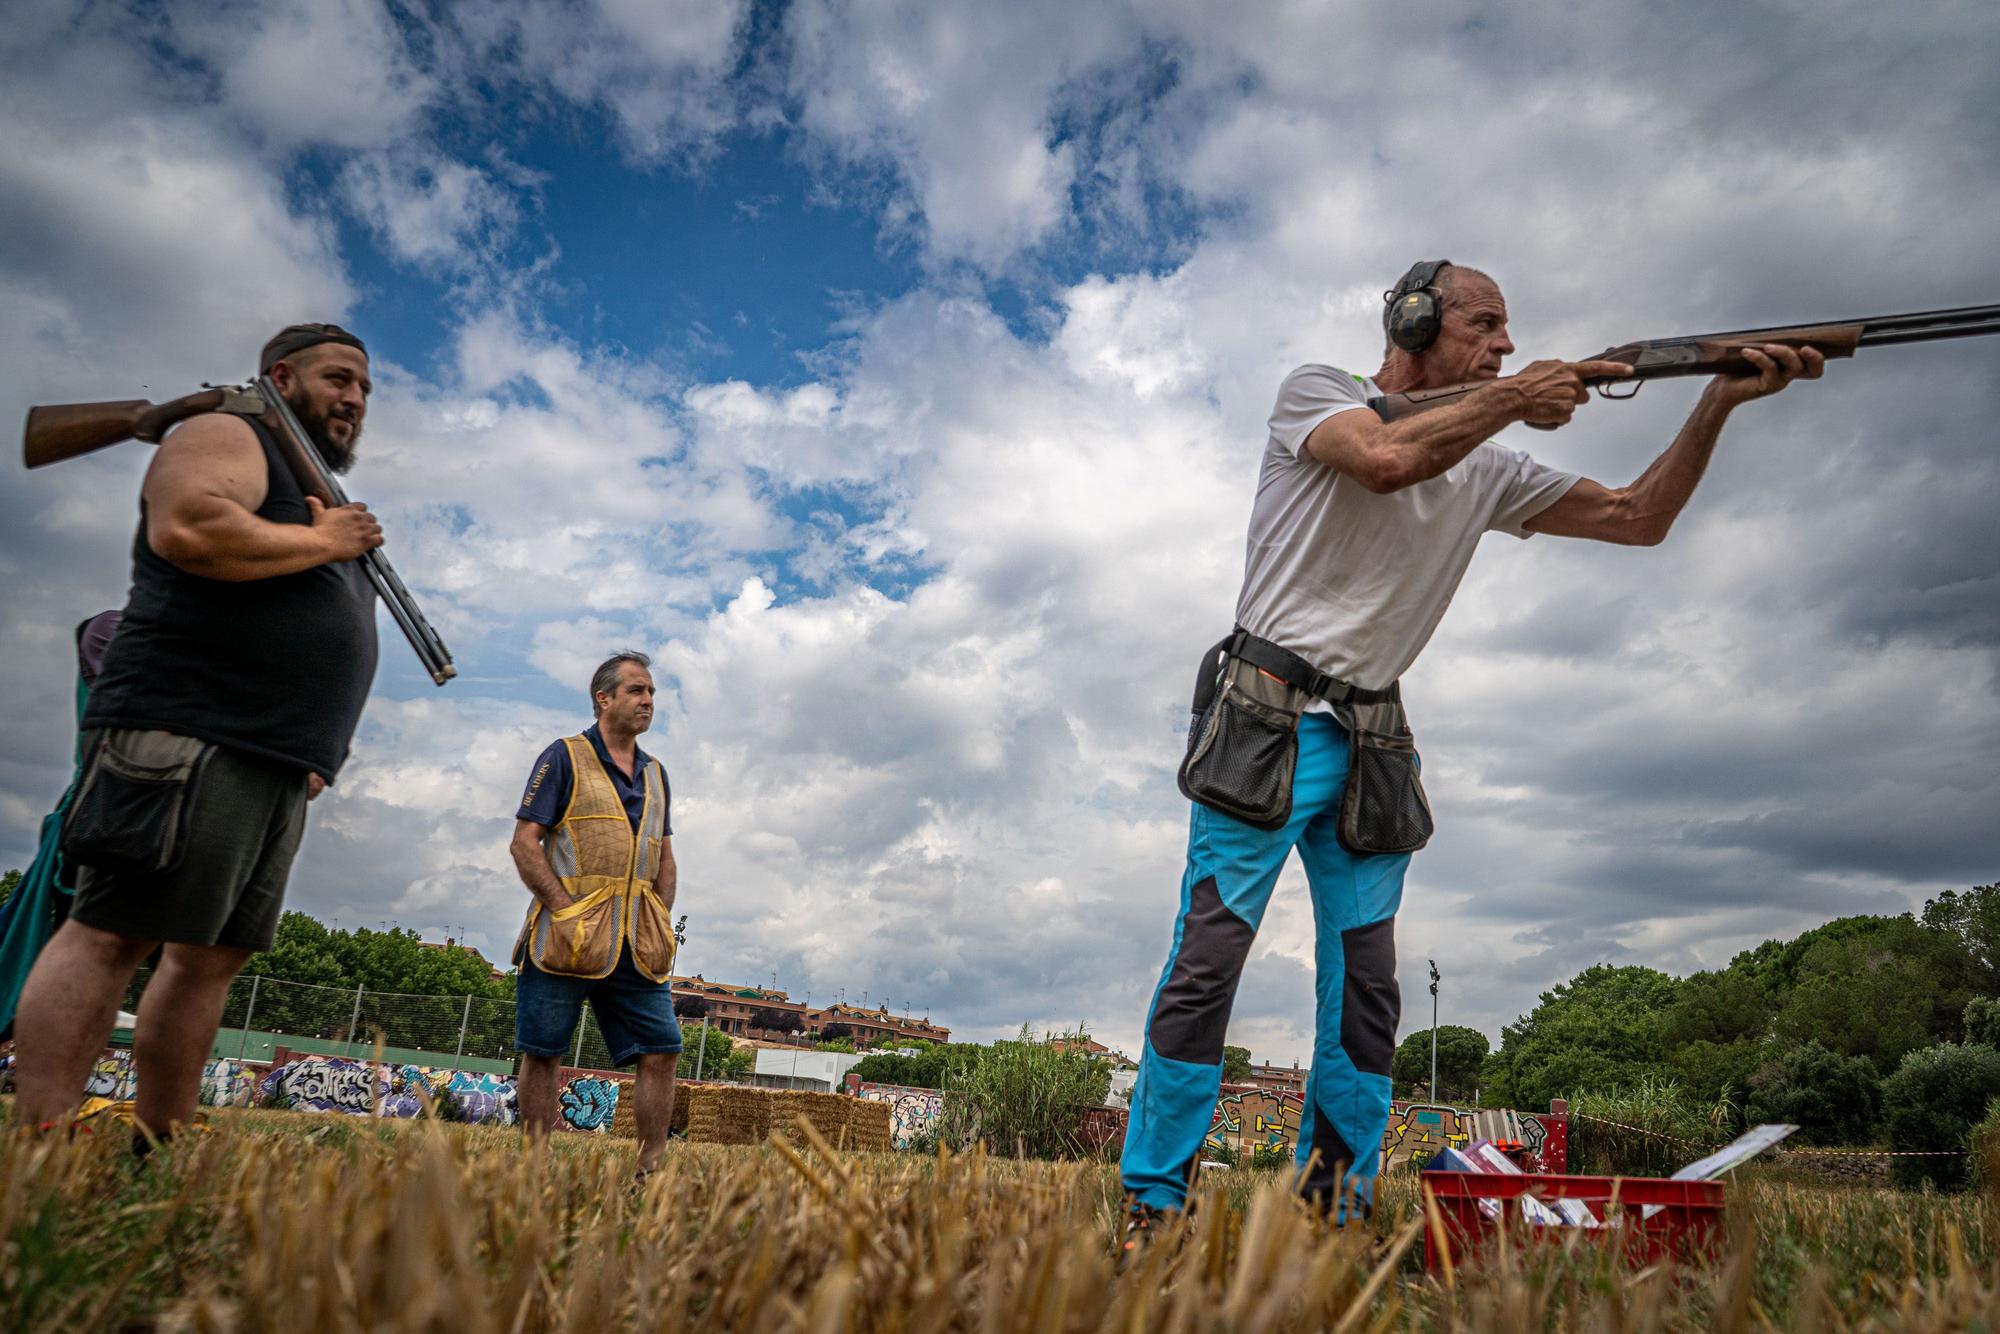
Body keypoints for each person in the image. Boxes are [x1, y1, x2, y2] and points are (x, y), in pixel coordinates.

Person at [1118, 261, 1824, 1245]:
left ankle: (1333, 1213)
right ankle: (1153, 1205)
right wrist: (1513, 395)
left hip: (1371, 742)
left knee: (1366, 991)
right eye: (1482, 324)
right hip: (1265, 723)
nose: (1501, 343)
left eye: (1507, 332)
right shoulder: (1316, 394)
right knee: (1206, 965)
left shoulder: (1488, 462)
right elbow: (1380, 460)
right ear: (1412, 323)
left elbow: (1639, 517)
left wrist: (1715, 403)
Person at [10, 324, 384, 1138]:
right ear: (280, 376)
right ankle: (39, 1142)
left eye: (362, 388)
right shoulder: (228, 430)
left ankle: (158, 1141)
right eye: (336, 378)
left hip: (271, 759)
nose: (353, 398)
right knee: (112, 931)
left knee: (210, 957)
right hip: (189, 733)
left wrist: (318, 750)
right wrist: (326, 540)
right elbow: (188, 525)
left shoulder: (299, 477)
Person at [510, 651, 682, 1180]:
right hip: (567, 939)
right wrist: (565, 913)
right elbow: (525, 843)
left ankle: (650, 1170)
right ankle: (535, 1168)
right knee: (543, 1052)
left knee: (662, 1050)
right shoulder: (563, 757)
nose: (647, 700)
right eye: (635, 690)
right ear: (603, 698)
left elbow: (664, 856)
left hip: (636, 941)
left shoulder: (656, 773)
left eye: (650, 691)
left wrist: (657, 915)